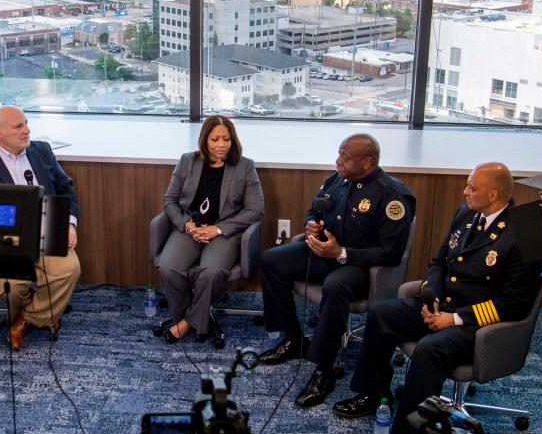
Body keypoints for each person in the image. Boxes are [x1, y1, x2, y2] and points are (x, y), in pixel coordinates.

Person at [333, 162, 542, 434]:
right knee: (382, 313)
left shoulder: (527, 232)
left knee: (429, 351)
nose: (465, 191)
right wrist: (431, 294)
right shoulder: (465, 214)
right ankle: (373, 394)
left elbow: (515, 304)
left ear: (494, 193)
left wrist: (455, 318)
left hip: (479, 325)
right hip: (442, 306)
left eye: (472, 187)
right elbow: (439, 262)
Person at [257, 133, 415, 409]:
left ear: (368, 162)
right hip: (323, 253)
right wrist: (311, 225)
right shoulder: (337, 180)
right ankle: (293, 339)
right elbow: (315, 209)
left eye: (345, 157)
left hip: (359, 266)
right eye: (339, 154)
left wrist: (342, 253)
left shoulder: (392, 196)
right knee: (271, 260)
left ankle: (323, 369)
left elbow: (391, 253)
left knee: (335, 286)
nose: (337, 161)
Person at [0, 105, 80, 350]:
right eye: (18, 127)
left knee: (70, 269)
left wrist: (69, 222)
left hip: (46, 235)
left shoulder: (42, 151)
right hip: (5, 243)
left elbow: (66, 187)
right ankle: (38, 312)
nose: (27, 130)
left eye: (26, 123)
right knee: (13, 286)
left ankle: (24, 319)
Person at [157, 116, 264, 343]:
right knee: (167, 266)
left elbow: (256, 209)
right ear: (204, 140)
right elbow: (170, 200)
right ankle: (194, 314)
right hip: (190, 229)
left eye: (226, 139)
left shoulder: (245, 166)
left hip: (223, 233)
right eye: (215, 139)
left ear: (233, 140)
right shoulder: (187, 161)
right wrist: (187, 225)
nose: (221, 144)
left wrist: (217, 229)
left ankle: (187, 321)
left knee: (212, 271)